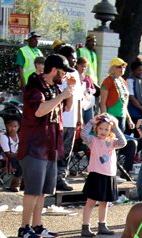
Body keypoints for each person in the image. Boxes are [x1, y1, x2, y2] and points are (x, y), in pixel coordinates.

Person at [17, 54, 73, 238]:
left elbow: (66, 108)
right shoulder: (36, 87)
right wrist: (62, 95)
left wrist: (70, 92)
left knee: (42, 190)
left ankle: (37, 225)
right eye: (63, 72)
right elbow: (39, 110)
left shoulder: (54, 87)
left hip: (49, 146)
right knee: (33, 189)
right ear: (54, 70)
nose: (65, 76)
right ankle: (24, 228)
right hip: (34, 146)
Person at [79, 114, 127, 237]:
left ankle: (102, 224)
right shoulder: (93, 140)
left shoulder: (112, 142)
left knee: (104, 202)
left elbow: (123, 142)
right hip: (95, 174)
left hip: (108, 174)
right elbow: (83, 135)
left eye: (106, 129)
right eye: (101, 128)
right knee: (90, 202)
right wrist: (91, 122)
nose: (103, 132)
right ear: (96, 129)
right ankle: (85, 226)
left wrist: (115, 127)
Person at [55, 44, 83, 193]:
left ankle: (61, 178)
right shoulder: (58, 73)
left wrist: (79, 117)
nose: (74, 60)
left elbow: (78, 98)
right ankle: (52, 178)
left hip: (71, 120)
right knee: (56, 151)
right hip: (59, 119)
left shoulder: (75, 74)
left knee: (67, 151)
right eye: (71, 57)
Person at [101, 58, 130, 131]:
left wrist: (129, 119)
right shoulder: (108, 81)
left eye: (123, 67)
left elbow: (124, 102)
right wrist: (105, 118)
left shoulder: (123, 81)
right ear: (113, 68)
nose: (122, 69)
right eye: (119, 67)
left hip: (122, 116)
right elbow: (103, 102)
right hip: (111, 116)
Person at [0, 115, 23, 192]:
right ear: (7, 126)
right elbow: (8, 154)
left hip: (18, 156)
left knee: (29, 160)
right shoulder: (4, 137)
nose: (13, 128)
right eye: (10, 126)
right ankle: (15, 182)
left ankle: (24, 181)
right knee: (21, 161)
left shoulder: (19, 136)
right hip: (8, 159)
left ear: (18, 127)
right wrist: (21, 154)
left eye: (15, 126)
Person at [76, 56, 98, 126]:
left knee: (90, 123)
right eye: (82, 66)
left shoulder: (87, 77)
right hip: (79, 103)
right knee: (79, 124)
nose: (84, 68)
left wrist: (91, 90)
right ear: (77, 65)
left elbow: (94, 89)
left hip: (88, 103)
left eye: (85, 67)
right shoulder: (74, 76)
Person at [126, 60, 142, 126]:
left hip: (140, 112)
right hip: (132, 111)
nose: (141, 72)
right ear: (133, 70)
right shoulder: (130, 80)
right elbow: (131, 97)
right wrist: (141, 108)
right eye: (139, 70)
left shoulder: (139, 80)